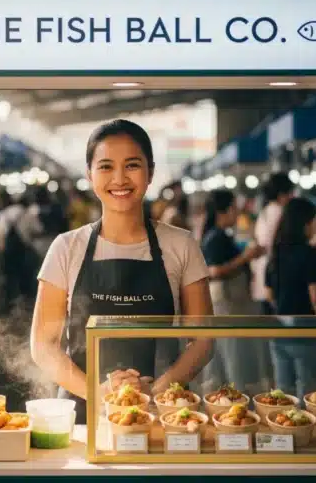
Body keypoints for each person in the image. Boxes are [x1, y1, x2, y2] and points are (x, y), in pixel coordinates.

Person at [30, 119, 214, 422]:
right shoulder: (66, 248)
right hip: (82, 411)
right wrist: (101, 393)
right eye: (105, 167)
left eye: (132, 165)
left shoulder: (182, 245)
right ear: (90, 175)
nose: (119, 178)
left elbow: (203, 341)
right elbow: (42, 344)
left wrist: (153, 392)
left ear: (150, 172)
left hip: (161, 410)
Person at [266, 197, 316, 401]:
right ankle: (307, 433)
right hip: (308, 334)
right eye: (315, 220)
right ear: (305, 223)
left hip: (280, 333)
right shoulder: (310, 254)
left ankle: (284, 432)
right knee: (312, 396)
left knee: (283, 395)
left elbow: (269, 294)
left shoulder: (276, 254)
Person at [199, 189, 268, 393]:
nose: (237, 214)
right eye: (234, 209)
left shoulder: (219, 235)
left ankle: (229, 394)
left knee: (231, 352)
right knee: (231, 353)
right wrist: (246, 257)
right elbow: (214, 271)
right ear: (225, 211)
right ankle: (232, 395)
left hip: (230, 303)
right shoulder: (215, 237)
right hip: (226, 304)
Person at [252, 173, 294, 312]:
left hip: (264, 272)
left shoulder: (265, 211)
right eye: (290, 193)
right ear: (282, 194)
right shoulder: (281, 212)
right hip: (275, 274)